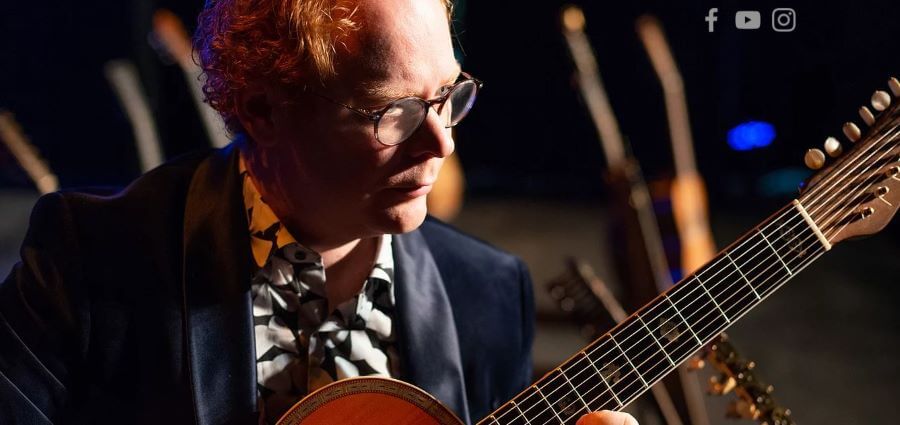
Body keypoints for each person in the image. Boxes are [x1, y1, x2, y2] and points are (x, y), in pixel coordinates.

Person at [0, 0, 638, 424]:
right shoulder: (93, 258)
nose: (442, 142)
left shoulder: (489, 292)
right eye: (396, 112)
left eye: (449, 95)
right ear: (263, 111)